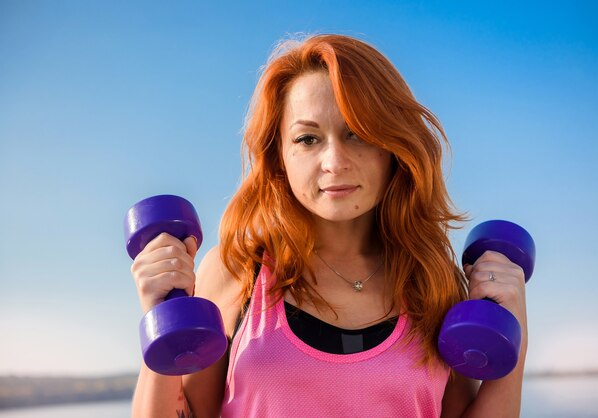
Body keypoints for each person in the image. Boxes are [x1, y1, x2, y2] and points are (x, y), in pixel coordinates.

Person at [130, 34, 528, 417]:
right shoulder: (236, 271)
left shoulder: (431, 281)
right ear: (279, 156)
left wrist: (515, 332)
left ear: (393, 147)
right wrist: (160, 317)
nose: (334, 162)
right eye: (307, 139)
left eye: (357, 133)